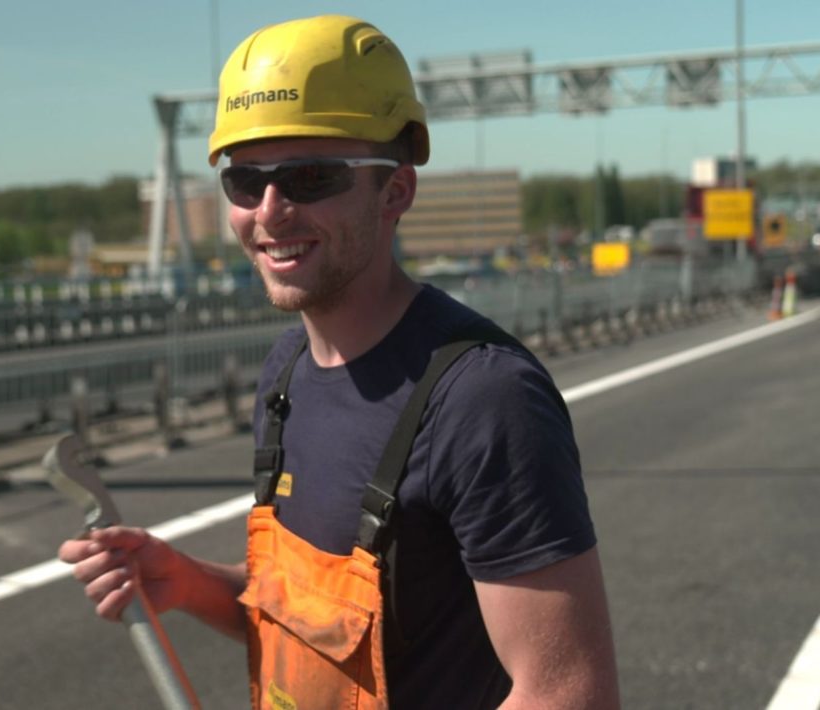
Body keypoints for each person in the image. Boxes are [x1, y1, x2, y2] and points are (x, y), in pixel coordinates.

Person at [59, 14, 620, 709]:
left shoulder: (484, 401)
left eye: (310, 177)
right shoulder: (287, 372)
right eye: (244, 180)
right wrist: (186, 580)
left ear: (396, 191)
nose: (270, 211)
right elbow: (310, 625)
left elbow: (567, 694)